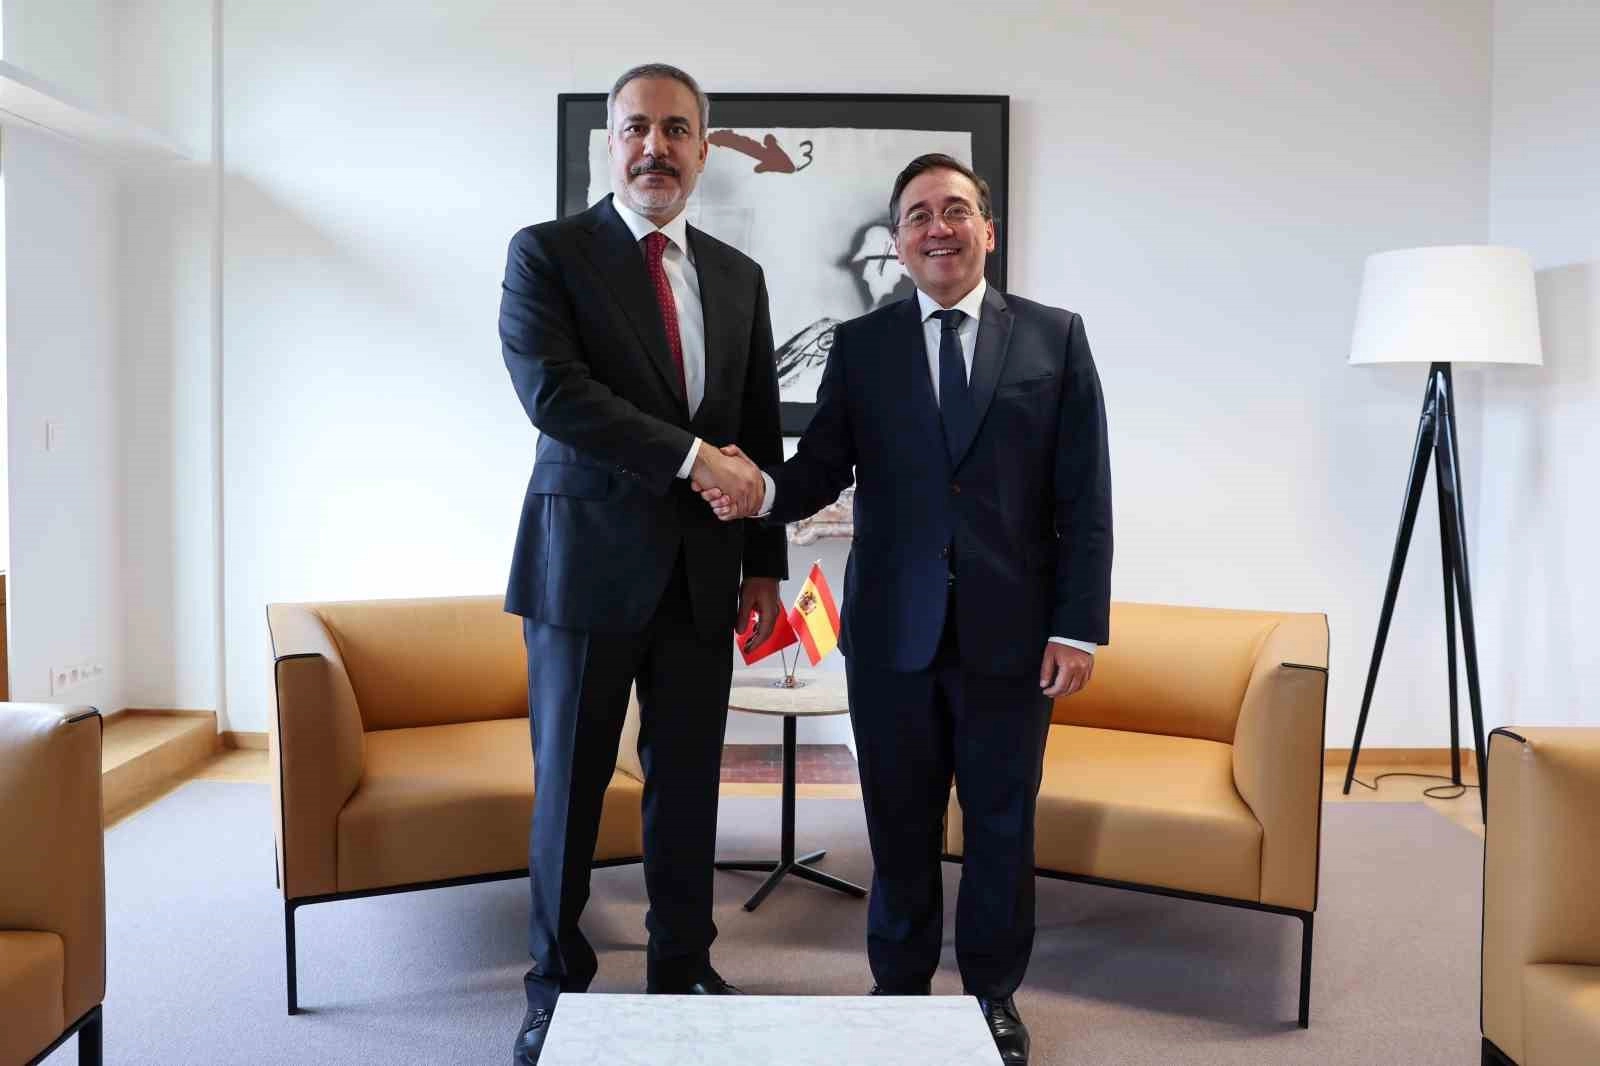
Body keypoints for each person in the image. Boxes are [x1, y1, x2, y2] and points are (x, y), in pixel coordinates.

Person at [699, 153, 1112, 1066]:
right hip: (892, 634)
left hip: (1015, 637)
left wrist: (1077, 626)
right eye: (919, 214)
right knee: (898, 823)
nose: (938, 227)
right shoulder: (864, 345)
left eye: (955, 210)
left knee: (1001, 824)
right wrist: (757, 489)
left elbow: (1085, 497)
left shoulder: (1055, 337)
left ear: (987, 229)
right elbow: (820, 469)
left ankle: (993, 996)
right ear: (898, 241)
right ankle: (897, 989)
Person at [498, 62, 786, 1065]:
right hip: (582, 569)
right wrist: (695, 458)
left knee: (689, 785)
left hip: (704, 573)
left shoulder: (739, 276)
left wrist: (762, 566)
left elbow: (757, 429)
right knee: (571, 789)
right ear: (609, 144)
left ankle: (683, 965)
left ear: (703, 149)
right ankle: (553, 984)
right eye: (635, 128)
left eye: (675, 129)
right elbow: (555, 395)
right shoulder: (547, 253)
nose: (654, 147)